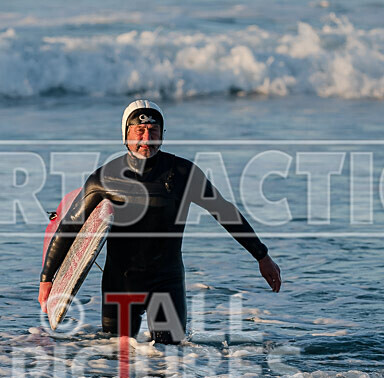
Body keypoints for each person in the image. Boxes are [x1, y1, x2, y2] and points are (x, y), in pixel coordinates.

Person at [39, 99, 281, 343]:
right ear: (125, 134)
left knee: (172, 360)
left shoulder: (183, 173)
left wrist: (262, 255)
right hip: (121, 283)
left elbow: (224, 211)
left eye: (153, 130)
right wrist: (47, 280)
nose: (147, 137)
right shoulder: (105, 178)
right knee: (114, 361)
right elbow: (70, 227)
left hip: (167, 280)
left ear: (162, 134)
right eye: (139, 130)